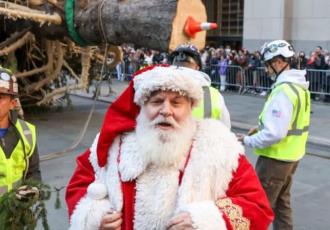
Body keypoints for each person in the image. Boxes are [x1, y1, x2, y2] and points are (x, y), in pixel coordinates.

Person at [66, 65, 273, 230]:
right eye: (157, 101)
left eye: (176, 103)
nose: (166, 111)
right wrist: (95, 216)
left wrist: (205, 221)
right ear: (142, 107)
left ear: (190, 107)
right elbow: (78, 186)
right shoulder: (113, 144)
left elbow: (257, 208)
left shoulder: (219, 147)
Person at [237, 40, 311, 230]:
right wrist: (260, 127)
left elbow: (275, 134)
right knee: (282, 205)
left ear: (279, 62)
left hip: (274, 160)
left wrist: (247, 140)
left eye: (268, 64)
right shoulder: (299, 87)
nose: (267, 69)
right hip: (291, 157)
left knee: (260, 208)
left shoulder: (284, 91)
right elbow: (289, 123)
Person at [169, 44, 231, 129]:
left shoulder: (157, 87)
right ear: (197, 67)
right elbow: (226, 130)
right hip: (202, 141)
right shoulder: (214, 95)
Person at [0, 67, 41, 195]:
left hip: (17, 212)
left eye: (0, 97)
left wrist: (31, 192)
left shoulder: (26, 132)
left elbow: (33, 172)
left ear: (12, 103)